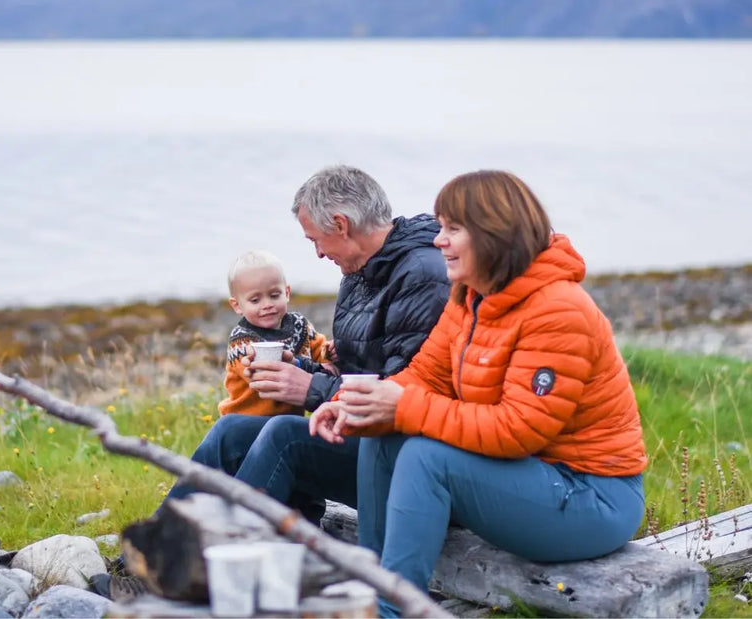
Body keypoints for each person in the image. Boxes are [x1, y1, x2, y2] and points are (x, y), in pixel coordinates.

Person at [309, 170, 647, 617]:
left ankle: (395, 610)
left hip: (592, 498)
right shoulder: (471, 295)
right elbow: (426, 374)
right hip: (530, 479)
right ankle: (375, 590)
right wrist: (352, 405)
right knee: (382, 431)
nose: (438, 241)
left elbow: (517, 431)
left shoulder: (559, 311)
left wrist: (404, 406)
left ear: (493, 233)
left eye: (453, 229)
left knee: (426, 457)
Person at [160, 164, 450, 518]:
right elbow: (357, 371)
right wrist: (296, 368)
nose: (317, 253)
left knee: (285, 434)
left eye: (315, 239)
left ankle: (229, 559)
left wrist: (310, 387)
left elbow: (403, 396)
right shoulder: (359, 273)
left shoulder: (422, 276)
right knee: (230, 430)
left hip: (405, 457)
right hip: (360, 430)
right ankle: (149, 555)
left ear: (341, 225)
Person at [219, 249, 335, 417]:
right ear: (237, 305)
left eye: (274, 295)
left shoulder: (299, 326)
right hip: (245, 420)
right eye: (255, 300)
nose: (267, 304)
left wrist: (331, 354)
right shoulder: (242, 340)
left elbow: (319, 350)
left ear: (286, 293)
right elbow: (266, 378)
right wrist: (316, 368)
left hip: (285, 421)